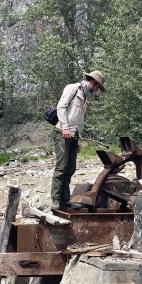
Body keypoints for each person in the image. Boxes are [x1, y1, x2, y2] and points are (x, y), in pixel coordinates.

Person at [51, 70, 106, 209]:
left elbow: (79, 121)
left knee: (70, 168)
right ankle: (55, 200)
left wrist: (79, 140)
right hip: (62, 132)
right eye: (97, 87)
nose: (97, 90)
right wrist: (64, 127)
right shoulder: (73, 88)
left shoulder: (85, 97)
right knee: (61, 166)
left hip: (74, 135)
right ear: (93, 82)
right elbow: (61, 107)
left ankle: (64, 200)